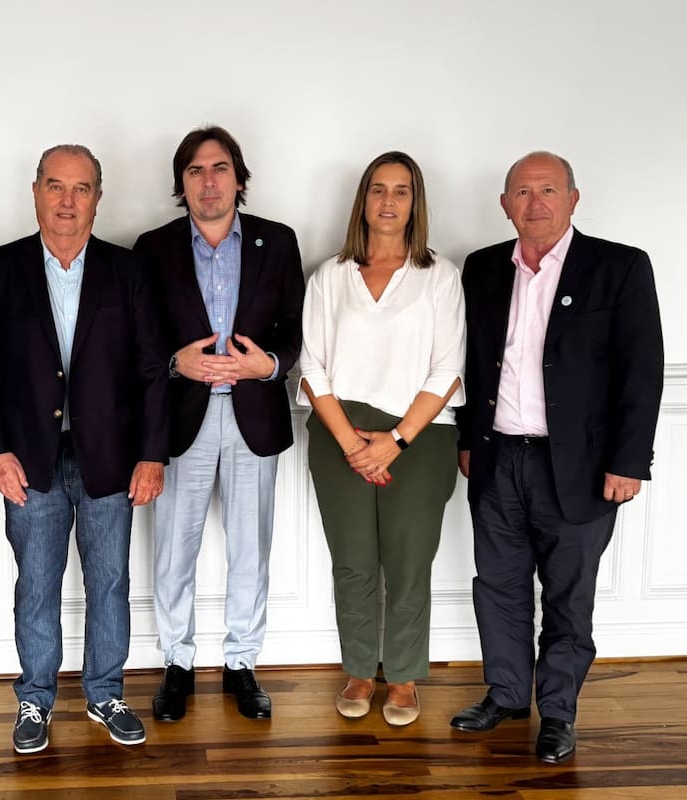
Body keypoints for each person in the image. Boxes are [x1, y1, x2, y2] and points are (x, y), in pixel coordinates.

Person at [451, 151, 663, 762]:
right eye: (522, 192)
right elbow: (469, 361)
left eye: (548, 190)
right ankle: (509, 694)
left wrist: (629, 461)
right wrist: (468, 438)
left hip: (582, 466)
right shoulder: (484, 267)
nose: (535, 203)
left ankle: (559, 713)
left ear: (574, 198)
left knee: (569, 594)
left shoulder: (619, 267)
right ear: (504, 204)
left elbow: (641, 371)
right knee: (498, 584)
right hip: (497, 459)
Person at [0, 144, 168, 753]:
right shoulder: (0, 268)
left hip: (111, 458)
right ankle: (35, 698)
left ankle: (106, 693)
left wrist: (152, 455)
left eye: (81, 189)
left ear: (98, 200)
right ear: (35, 192)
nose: (66, 201)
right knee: (37, 583)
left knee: (109, 582)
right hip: (28, 460)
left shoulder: (126, 269)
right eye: (55, 186)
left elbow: (153, 370)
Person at [133, 126, 304, 721]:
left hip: (254, 413)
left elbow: (295, 330)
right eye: (196, 171)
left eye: (220, 168)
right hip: (181, 417)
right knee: (174, 549)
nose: (209, 181)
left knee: (250, 549)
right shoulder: (152, 248)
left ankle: (242, 663)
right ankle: (177, 663)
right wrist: (176, 362)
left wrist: (271, 364)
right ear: (182, 183)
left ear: (239, 177)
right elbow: (140, 339)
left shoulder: (276, 242)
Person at [298, 151, 465, 727]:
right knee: (354, 562)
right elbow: (312, 367)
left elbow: (447, 370)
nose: (388, 202)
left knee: (409, 562)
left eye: (401, 191)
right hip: (338, 431)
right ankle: (360, 670)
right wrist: (350, 443)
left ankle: (402, 677)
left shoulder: (439, 277)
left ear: (415, 202)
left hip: (419, 437)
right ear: (362, 200)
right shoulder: (330, 276)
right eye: (377, 190)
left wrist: (394, 440)